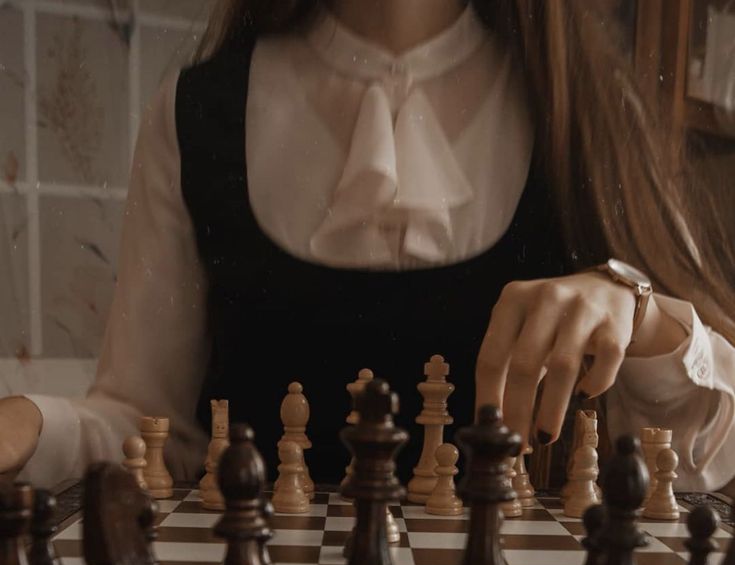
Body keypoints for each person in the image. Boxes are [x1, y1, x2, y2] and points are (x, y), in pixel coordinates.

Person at [1, 0, 734, 489]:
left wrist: (637, 313)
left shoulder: (589, 105)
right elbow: (149, 431)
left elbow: (714, 454)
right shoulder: (193, 111)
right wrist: (27, 424)